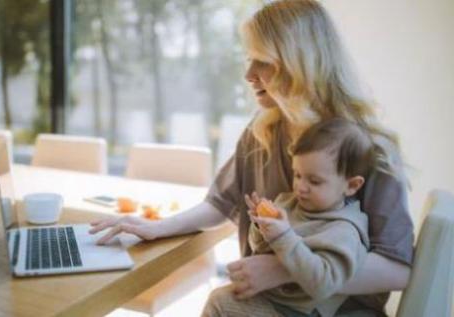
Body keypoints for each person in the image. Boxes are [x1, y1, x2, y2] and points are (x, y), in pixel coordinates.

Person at [89, 0, 414, 315]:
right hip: (269, 303)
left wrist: (285, 268)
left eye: (263, 61)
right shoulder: (262, 132)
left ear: (300, 64)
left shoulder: (371, 148)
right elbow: (220, 204)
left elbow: (397, 269)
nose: (248, 74)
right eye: (249, 59)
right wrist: (160, 227)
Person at [202, 118, 374, 317]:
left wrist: (283, 236)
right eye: (297, 175)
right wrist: (261, 227)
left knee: (219, 303)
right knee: (224, 294)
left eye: (314, 181)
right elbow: (260, 249)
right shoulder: (289, 203)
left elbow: (324, 285)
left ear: (351, 186)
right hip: (268, 299)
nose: (300, 187)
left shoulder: (344, 231)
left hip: (296, 312)